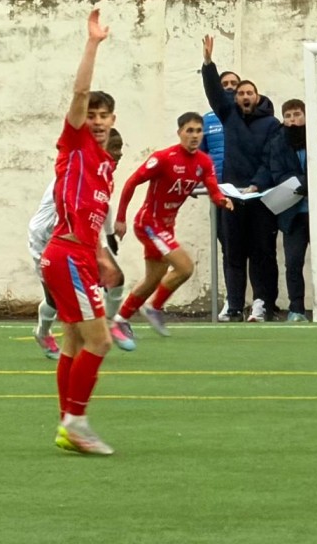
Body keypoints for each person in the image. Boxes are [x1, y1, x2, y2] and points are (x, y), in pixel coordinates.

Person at [39, 9, 120, 454]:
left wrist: (104, 256)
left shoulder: (106, 166)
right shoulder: (74, 144)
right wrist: (93, 44)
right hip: (66, 255)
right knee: (101, 339)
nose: (97, 120)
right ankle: (77, 420)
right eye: (91, 114)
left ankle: (64, 425)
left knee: (73, 338)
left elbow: (90, 216)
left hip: (82, 256)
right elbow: (80, 90)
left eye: (104, 115)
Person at [110, 112, 233, 339]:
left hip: (165, 228)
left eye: (198, 131)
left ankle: (119, 321)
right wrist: (120, 218)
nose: (195, 136)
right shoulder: (164, 158)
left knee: (152, 279)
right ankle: (153, 307)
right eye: (189, 131)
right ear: (179, 133)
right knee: (185, 267)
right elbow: (131, 182)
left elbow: (213, 189)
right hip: (149, 223)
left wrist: (222, 200)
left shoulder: (204, 162)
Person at [200, 35, 281, 322]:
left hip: (260, 197)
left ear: (256, 97)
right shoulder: (228, 116)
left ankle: (262, 304)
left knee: (262, 252)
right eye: (240, 93)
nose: (244, 96)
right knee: (233, 253)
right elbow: (213, 92)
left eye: (249, 92)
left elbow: (271, 159)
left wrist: (257, 184)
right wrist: (208, 64)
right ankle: (234, 305)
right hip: (232, 197)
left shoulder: (271, 124)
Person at [29, 129, 129, 358]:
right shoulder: (74, 173)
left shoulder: (101, 174)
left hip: (79, 239)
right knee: (54, 300)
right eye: (115, 150)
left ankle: (110, 324)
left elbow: (103, 204)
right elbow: (67, 210)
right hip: (48, 238)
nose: (119, 155)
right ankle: (43, 333)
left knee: (116, 279)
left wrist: (110, 234)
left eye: (120, 151)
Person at [253, 99, 317, 321]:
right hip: (292, 215)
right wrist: (303, 183)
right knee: (293, 263)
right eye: (288, 116)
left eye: (297, 115)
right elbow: (278, 174)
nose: (293, 120)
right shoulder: (278, 144)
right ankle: (296, 309)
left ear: (306, 115)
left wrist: (310, 185)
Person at [201, 68, 239, 320]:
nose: (228, 86)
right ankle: (232, 300)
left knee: (254, 247)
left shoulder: (245, 115)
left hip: (245, 189)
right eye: (224, 83)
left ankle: (261, 302)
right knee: (227, 246)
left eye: (233, 83)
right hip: (218, 190)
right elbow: (200, 155)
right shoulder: (207, 119)